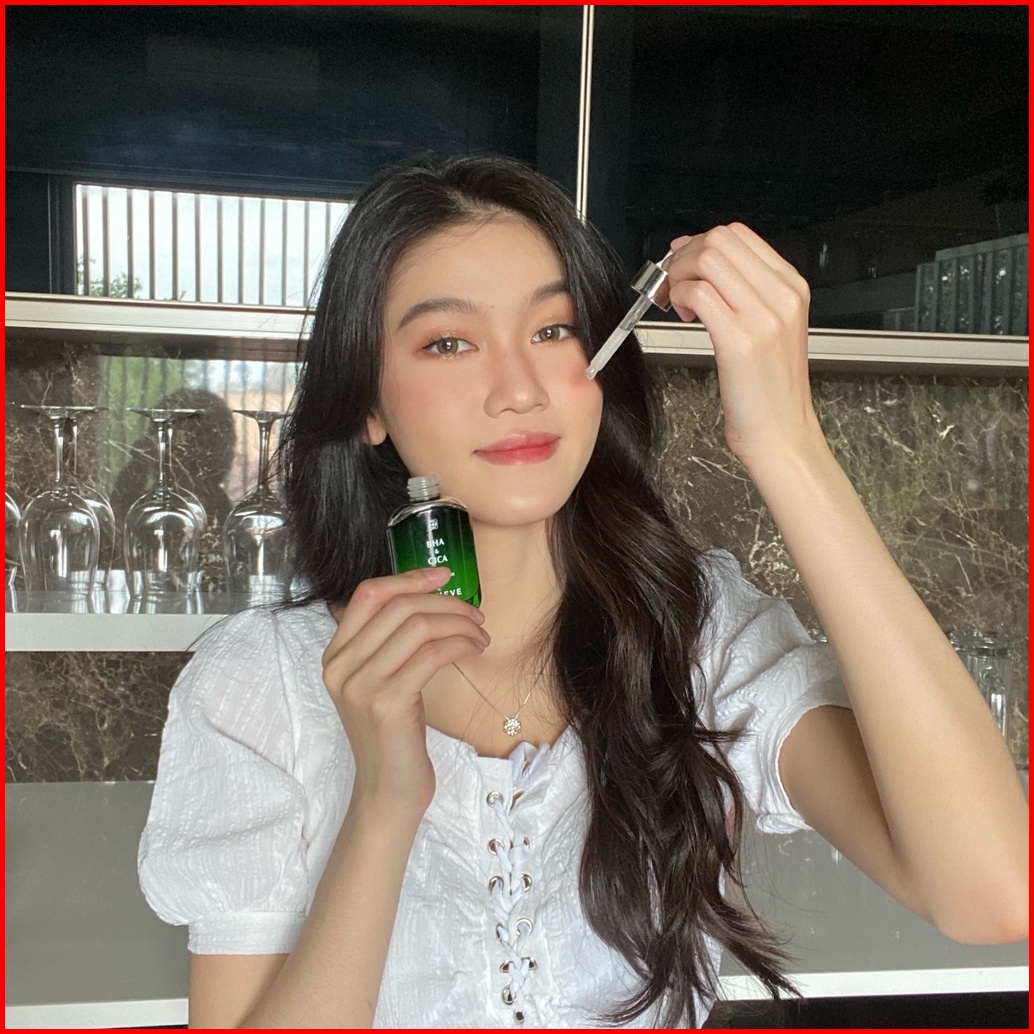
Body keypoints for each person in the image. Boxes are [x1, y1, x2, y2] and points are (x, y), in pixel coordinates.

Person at [138, 154, 1027, 1029]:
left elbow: (993, 892)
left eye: (554, 330)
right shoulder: (258, 684)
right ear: (369, 402)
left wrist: (787, 443)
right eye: (448, 343)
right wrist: (384, 804)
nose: (519, 390)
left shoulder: (699, 633)